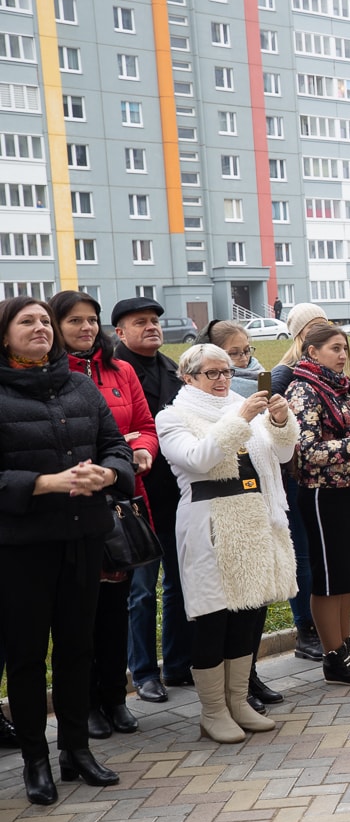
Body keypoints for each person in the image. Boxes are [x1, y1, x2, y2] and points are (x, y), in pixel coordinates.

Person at [3, 296, 134, 805]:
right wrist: (43, 482)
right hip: (22, 548)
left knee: (79, 649)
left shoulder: (79, 385)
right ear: (5, 333)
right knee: (28, 657)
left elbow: (116, 446)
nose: (39, 328)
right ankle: (36, 760)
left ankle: (76, 751)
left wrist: (109, 474)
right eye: (26, 321)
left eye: (42, 321)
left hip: (85, 537)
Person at [156, 344, 298, 743]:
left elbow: (282, 455)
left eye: (227, 373)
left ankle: (238, 701)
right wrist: (241, 418)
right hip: (211, 523)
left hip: (255, 519)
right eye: (212, 373)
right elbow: (199, 459)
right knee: (213, 618)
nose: (222, 380)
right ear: (189, 377)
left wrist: (281, 421)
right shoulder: (173, 416)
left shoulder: (242, 405)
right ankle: (212, 711)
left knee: (248, 614)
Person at [48, 291, 153, 741]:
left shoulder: (120, 369)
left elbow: (145, 425)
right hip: (77, 506)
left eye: (92, 321)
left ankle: (115, 696)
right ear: (55, 326)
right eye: (75, 322)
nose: (86, 329)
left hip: (125, 503)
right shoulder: (54, 377)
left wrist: (144, 449)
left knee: (116, 608)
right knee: (81, 613)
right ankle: (86, 702)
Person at [286, 323, 350, 685]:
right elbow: (309, 449)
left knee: (345, 575)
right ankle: (333, 657)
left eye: (345, 348)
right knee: (329, 578)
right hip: (322, 493)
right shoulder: (303, 390)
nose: (343, 354)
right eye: (335, 348)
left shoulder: (343, 387)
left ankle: (344, 648)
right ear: (312, 352)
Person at [111, 297, 192, 704]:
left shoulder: (173, 370)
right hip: (135, 497)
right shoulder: (112, 373)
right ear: (119, 332)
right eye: (140, 322)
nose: (152, 327)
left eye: (155, 321)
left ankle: (177, 664)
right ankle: (143, 672)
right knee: (141, 591)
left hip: (177, 495)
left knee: (180, 583)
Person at [271, 303, 333, 660]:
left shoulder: (329, 370)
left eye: (324, 323)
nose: (320, 330)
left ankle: (324, 626)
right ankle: (305, 629)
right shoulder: (284, 373)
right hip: (295, 475)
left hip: (326, 476)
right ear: (299, 336)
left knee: (321, 551)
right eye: (313, 326)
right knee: (304, 552)